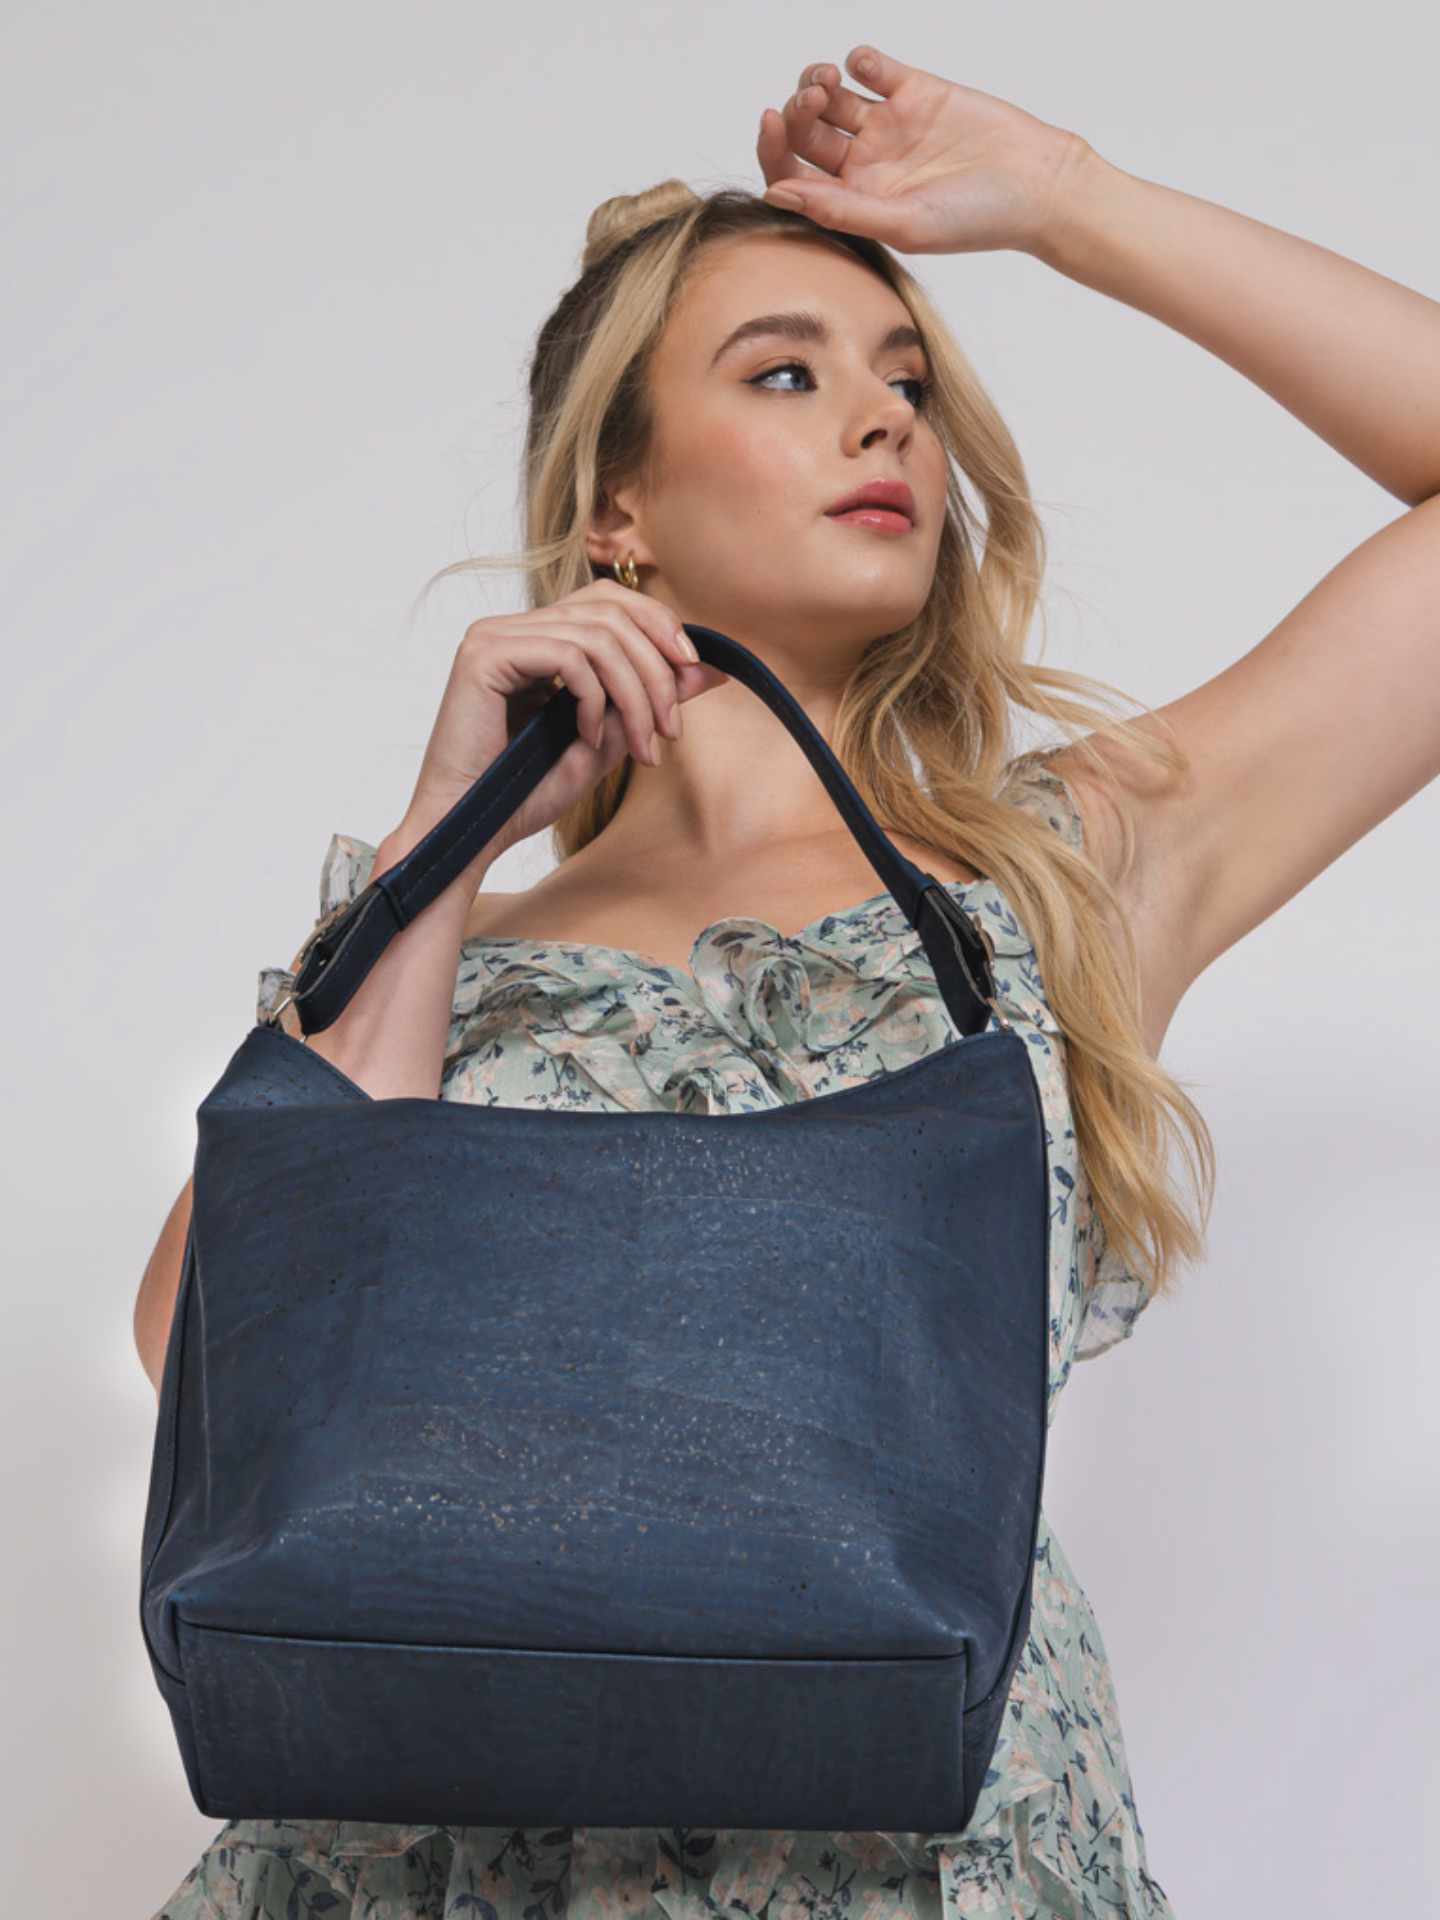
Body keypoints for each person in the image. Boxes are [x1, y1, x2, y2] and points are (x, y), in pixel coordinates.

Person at [134, 41, 1440, 1920]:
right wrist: (445, 836)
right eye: (785, 374)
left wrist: (1067, 198)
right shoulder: (455, 950)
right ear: (619, 509)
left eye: (907, 380)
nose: (882, 422)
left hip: (926, 1855)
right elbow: (201, 1355)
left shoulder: (1060, 874)